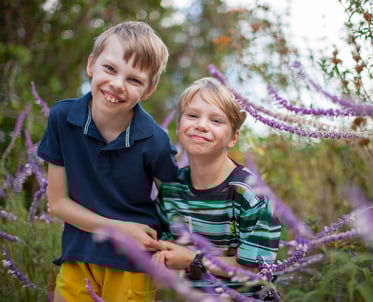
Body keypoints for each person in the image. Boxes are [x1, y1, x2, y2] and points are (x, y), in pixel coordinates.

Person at [37, 21, 178, 302]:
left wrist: (169, 247)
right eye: (110, 69)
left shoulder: (155, 141)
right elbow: (57, 203)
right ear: (92, 64)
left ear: (148, 90)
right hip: (78, 256)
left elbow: (176, 202)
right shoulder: (62, 119)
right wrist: (121, 229)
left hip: (133, 265)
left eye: (134, 79)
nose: (117, 84)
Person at [154, 77, 281, 299]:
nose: (201, 125)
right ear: (179, 125)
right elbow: (166, 251)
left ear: (233, 138)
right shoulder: (171, 190)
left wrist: (193, 259)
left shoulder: (250, 194)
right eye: (192, 115)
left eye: (216, 120)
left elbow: (256, 269)